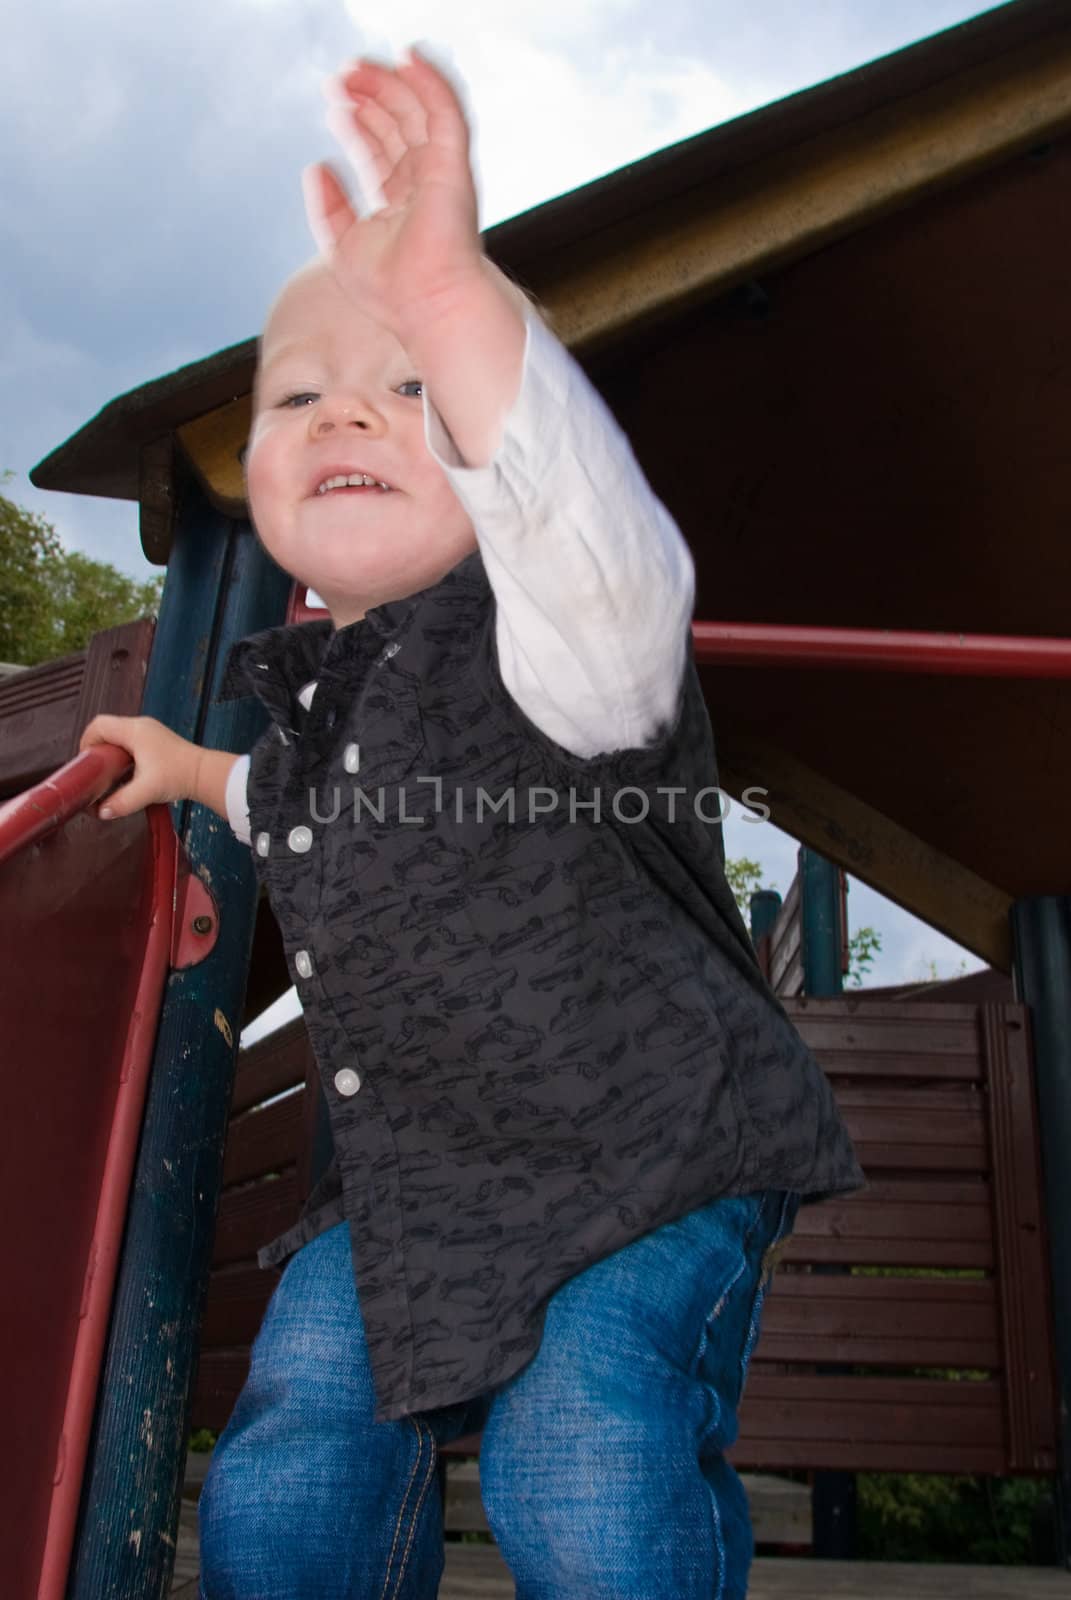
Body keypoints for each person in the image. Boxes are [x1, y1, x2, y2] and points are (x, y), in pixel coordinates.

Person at [81, 46, 863, 1600]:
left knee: (579, 1447)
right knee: (298, 1446)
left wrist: (456, 301)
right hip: (421, 1185)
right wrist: (188, 770)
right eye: (302, 393)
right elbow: (294, 810)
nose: (349, 410)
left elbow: (593, 541)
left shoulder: (560, 638)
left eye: (414, 388)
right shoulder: (319, 712)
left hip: (655, 1158)